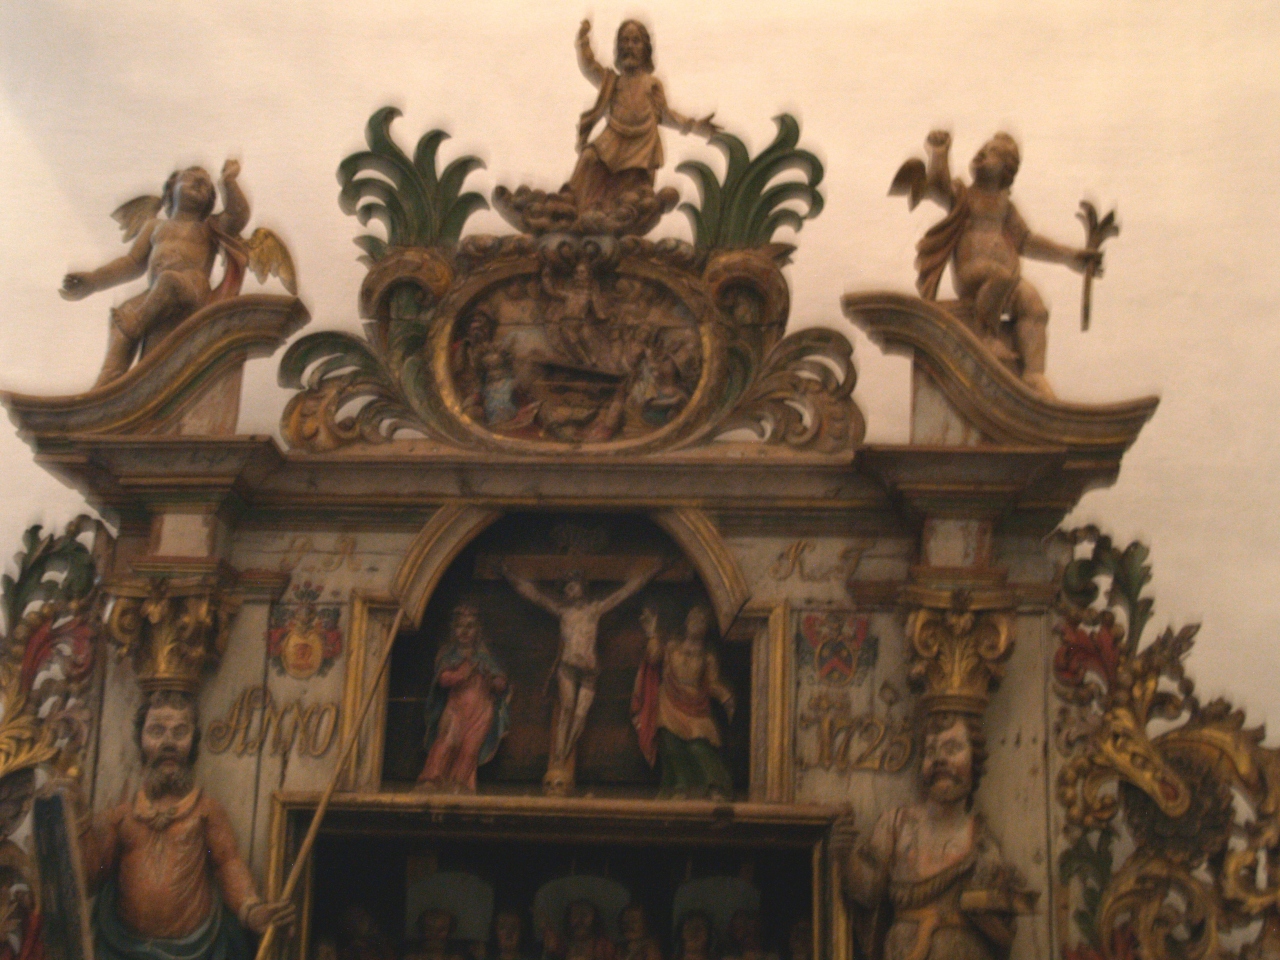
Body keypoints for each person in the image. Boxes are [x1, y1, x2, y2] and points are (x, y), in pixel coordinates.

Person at [80, 690, 295, 960]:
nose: (168, 742)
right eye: (157, 731)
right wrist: (79, 822)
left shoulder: (206, 811)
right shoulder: (122, 816)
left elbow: (227, 864)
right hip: (123, 948)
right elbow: (92, 875)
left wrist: (251, 910)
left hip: (196, 949)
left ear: (193, 742)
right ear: (140, 739)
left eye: (180, 732)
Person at [905, 131, 1100, 397]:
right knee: (1002, 276)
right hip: (972, 272)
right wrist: (939, 152)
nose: (982, 152)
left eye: (993, 151)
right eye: (983, 147)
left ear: (1006, 170)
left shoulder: (1005, 206)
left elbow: (1027, 241)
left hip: (1004, 281)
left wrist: (1069, 256)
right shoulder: (964, 195)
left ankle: (1033, 374)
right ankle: (986, 334)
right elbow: (939, 186)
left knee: (1034, 305)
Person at [835, 713, 1033, 960]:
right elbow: (867, 891)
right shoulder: (897, 825)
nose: (940, 759)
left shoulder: (982, 843)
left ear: (974, 761)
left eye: (952, 749)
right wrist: (844, 855)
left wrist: (986, 910)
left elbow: (1004, 934)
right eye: (931, 751)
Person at [61, 161, 250, 386]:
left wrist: (228, 182)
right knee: (125, 311)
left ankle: (138, 324)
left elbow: (237, 216)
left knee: (168, 280)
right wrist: (93, 280)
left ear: (209, 202)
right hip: (158, 292)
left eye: (207, 186)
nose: (200, 182)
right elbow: (131, 263)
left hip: (193, 289)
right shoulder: (154, 226)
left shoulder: (208, 226)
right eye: (191, 176)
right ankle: (109, 380)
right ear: (172, 188)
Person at [502, 559, 663, 792]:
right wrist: (509, 574)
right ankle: (559, 758)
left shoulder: (595, 609)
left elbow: (626, 592)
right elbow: (534, 595)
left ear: (582, 587)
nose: (569, 590)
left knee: (581, 716)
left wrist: (652, 571)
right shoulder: (562, 611)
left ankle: (565, 753)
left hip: (589, 671)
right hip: (567, 668)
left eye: (573, 585)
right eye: (566, 588)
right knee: (566, 709)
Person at [570, 20, 719, 213]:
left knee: (628, 194)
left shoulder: (651, 84)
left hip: (641, 148)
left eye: (635, 41)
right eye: (624, 41)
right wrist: (583, 41)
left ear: (645, 49)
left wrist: (695, 126)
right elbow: (590, 67)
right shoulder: (612, 82)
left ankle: (614, 216)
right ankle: (570, 206)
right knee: (589, 157)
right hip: (611, 140)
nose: (629, 46)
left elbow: (665, 114)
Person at [631, 605, 735, 799]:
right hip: (668, 699)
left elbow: (712, 683)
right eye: (694, 618)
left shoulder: (707, 656)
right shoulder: (672, 646)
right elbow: (653, 657)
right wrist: (652, 633)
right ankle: (680, 787)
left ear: (707, 627)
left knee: (700, 746)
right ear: (687, 622)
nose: (697, 623)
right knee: (671, 745)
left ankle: (715, 786)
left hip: (696, 704)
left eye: (702, 621)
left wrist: (725, 697)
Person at [417, 605, 511, 793]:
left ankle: (460, 784)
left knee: (470, 749)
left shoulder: (484, 657)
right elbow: (442, 679)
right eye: (460, 626)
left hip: (481, 712)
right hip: (456, 710)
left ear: (478, 630)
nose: (465, 631)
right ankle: (431, 779)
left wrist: (493, 680)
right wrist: (460, 675)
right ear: (453, 629)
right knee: (447, 741)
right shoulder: (449, 655)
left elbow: (501, 683)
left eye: (470, 626)